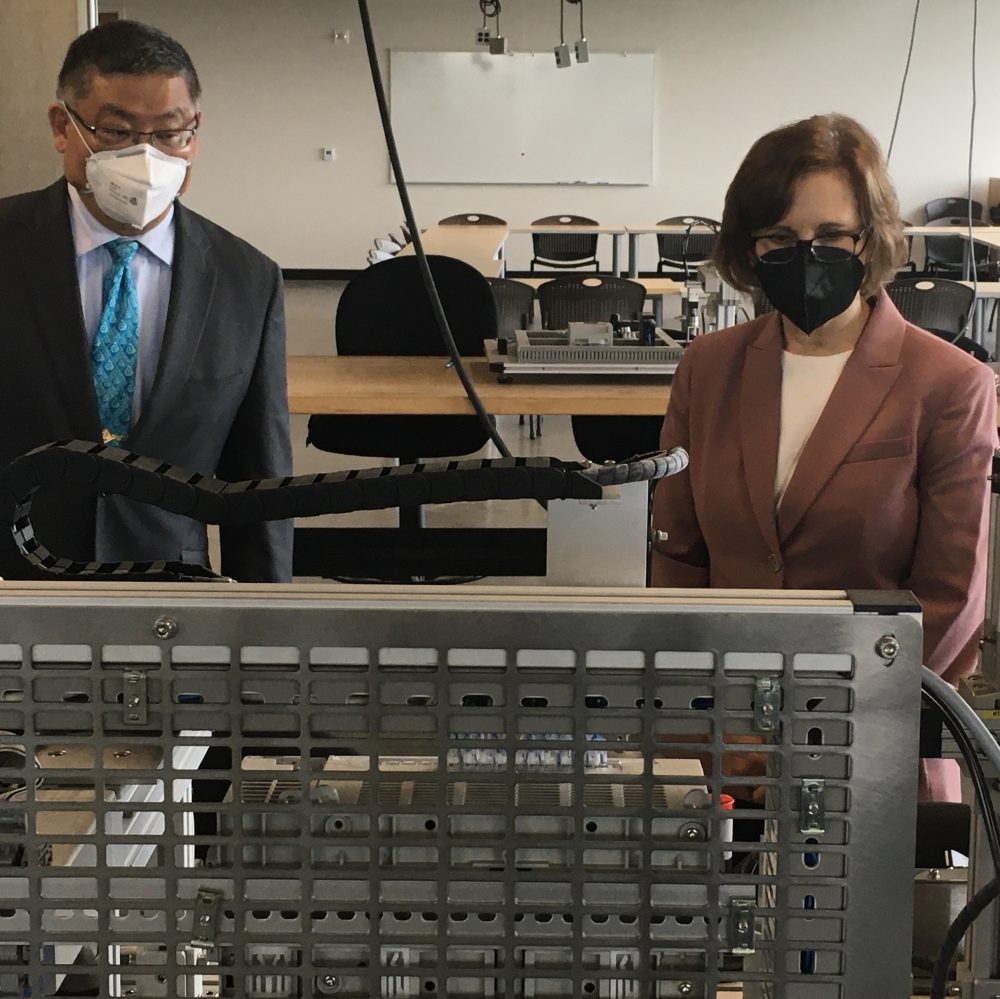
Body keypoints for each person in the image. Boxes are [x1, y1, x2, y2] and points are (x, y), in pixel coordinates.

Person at [651, 113, 997, 801]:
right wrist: (717, 723)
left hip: (875, 756)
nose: (805, 254)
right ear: (749, 248)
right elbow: (677, 560)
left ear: (870, 238)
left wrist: (811, 739)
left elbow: (950, 603)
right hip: (722, 758)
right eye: (779, 237)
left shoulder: (950, 385)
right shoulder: (708, 367)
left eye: (832, 235)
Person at [0, 19, 292, 581]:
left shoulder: (245, 279)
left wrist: (264, 631)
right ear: (64, 127)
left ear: (195, 131)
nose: (146, 155)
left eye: (169, 132)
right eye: (116, 132)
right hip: (13, 582)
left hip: (172, 586)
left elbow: (260, 480)